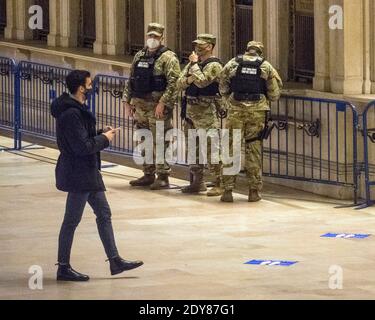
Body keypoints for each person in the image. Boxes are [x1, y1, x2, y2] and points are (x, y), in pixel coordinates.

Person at [51, 70, 143, 282]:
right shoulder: (71, 113)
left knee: (104, 213)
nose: (92, 87)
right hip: (79, 172)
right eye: (89, 84)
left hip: (88, 172)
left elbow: (82, 137)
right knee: (71, 220)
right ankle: (63, 267)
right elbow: (81, 147)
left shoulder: (76, 109)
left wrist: (100, 132)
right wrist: (104, 138)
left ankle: (114, 260)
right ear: (81, 88)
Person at [219, 41, 283, 203]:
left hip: (235, 111)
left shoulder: (233, 63)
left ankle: (227, 190)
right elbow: (275, 94)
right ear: (260, 52)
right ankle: (253, 191)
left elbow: (222, 87)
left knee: (231, 148)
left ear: (246, 50)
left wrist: (231, 101)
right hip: (257, 112)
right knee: (253, 148)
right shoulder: (266, 66)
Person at [122, 23, 181, 190]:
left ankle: (163, 176)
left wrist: (163, 103)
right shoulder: (140, 55)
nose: (152, 39)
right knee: (143, 139)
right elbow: (131, 79)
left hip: (157, 107)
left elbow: (173, 84)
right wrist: (127, 101)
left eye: (156, 36)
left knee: (161, 141)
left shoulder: (169, 58)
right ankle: (148, 173)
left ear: (162, 38)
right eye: (150, 36)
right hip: (140, 105)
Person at [176, 34, 224, 196]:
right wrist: (191, 77)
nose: (197, 47)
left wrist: (194, 67)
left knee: (212, 148)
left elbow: (203, 82)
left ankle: (219, 182)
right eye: (196, 44)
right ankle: (198, 181)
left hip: (206, 112)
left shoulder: (214, 65)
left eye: (201, 45)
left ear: (210, 46)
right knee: (193, 148)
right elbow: (179, 83)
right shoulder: (192, 63)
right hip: (190, 111)